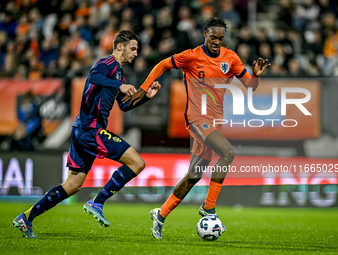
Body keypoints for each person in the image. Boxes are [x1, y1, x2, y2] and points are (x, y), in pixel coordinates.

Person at [124, 18, 270, 239]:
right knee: (229, 153)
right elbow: (162, 64)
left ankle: (160, 214)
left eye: (221, 38)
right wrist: (144, 89)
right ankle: (208, 207)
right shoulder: (191, 56)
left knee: (194, 174)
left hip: (215, 121)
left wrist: (256, 76)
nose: (217, 42)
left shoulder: (230, 58)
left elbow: (250, 86)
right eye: (213, 37)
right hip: (198, 119)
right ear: (205, 34)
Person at [12, 30, 161, 238]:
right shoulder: (107, 64)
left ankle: (26, 218)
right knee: (137, 163)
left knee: (72, 185)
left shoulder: (119, 73)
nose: (136, 53)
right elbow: (93, 75)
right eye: (133, 48)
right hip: (92, 129)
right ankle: (98, 202)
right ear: (120, 46)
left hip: (81, 130)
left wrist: (146, 97)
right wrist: (120, 85)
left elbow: (124, 106)